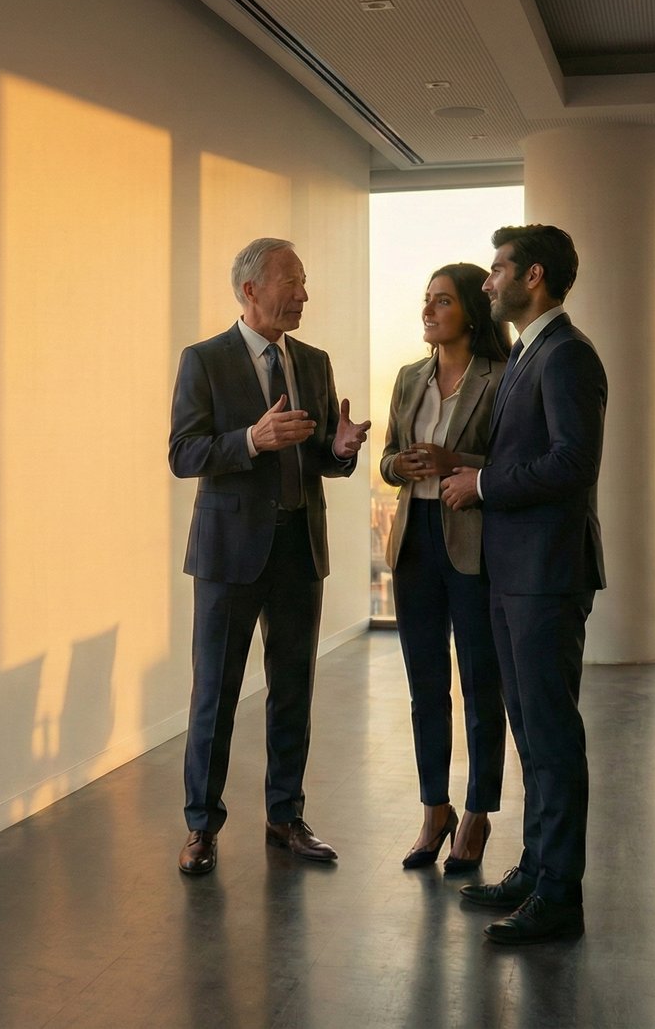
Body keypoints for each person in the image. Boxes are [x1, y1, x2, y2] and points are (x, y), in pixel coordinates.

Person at [167, 237, 371, 875]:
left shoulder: (313, 361)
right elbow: (183, 454)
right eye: (293, 282)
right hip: (229, 556)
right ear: (250, 289)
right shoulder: (203, 361)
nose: (304, 295)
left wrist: (339, 450)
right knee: (216, 695)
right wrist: (250, 440)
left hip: (298, 550)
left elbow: (321, 462)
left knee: (294, 691)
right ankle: (202, 827)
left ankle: (286, 817)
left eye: (305, 284)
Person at [440, 224, 605, 944]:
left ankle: (560, 897)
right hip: (513, 573)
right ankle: (536, 869)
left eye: (498, 268)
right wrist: (460, 462)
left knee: (552, 736)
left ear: (532, 276)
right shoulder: (528, 354)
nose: (488, 281)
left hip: (546, 574)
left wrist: (482, 482)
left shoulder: (568, 355)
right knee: (532, 735)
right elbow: (524, 453)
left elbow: (573, 462)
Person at [377, 263, 510, 873]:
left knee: (482, 683)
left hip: (474, 541)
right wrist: (398, 466)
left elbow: (511, 461)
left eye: (443, 301)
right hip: (415, 542)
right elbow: (386, 462)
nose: (428, 311)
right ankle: (436, 809)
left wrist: (452, 458)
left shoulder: (500, 377)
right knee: (425, 684)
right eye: (426, 300)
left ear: (471, 314)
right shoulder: (408, 379)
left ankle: (479, 812)